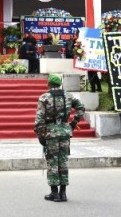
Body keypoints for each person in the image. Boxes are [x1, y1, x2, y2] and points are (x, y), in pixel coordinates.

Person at [34, 74, 85, 202]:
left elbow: (39, 120)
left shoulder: (44, 98)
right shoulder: (69, 96)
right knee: (63, 161)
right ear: (60, 84)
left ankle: (54, 193)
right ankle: (63, 193)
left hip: (51, 133)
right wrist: (73, 123)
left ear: (49, 84)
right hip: (65, 132)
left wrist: (40, 135)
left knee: (52, 161)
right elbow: (80, 108)